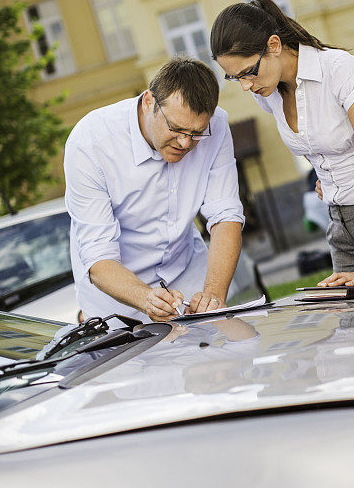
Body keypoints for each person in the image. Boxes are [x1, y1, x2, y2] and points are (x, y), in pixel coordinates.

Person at [210, 0, 354, 298]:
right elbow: (323, 145)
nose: (245, 85)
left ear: (274, 45)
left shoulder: (340, 71)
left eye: (248, 72)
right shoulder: (268, 93)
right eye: (234, 77)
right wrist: (330, 179)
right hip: (340, 225)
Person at [64, 57, 245, 322]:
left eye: (196, 133)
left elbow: (226, 215)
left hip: (187, 272)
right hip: (117, 296)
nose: (185, 143)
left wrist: (213, 295)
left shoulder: (216, 125)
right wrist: (146, 298)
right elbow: (98, 258)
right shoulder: (90, 142)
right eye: (176, 129)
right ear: (149, 102)